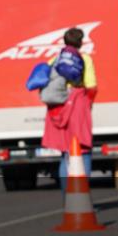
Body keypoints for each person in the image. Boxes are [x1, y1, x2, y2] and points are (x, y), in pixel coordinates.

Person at [41, 27, 98, 183]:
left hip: (58, 107)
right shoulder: (84, 59)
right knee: (83, 151)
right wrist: (88, 104)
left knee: (65, 152)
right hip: (78, 105)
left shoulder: (54, 60)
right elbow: (91, 86)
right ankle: (82, 196)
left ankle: (68, 197)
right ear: (80, 42)